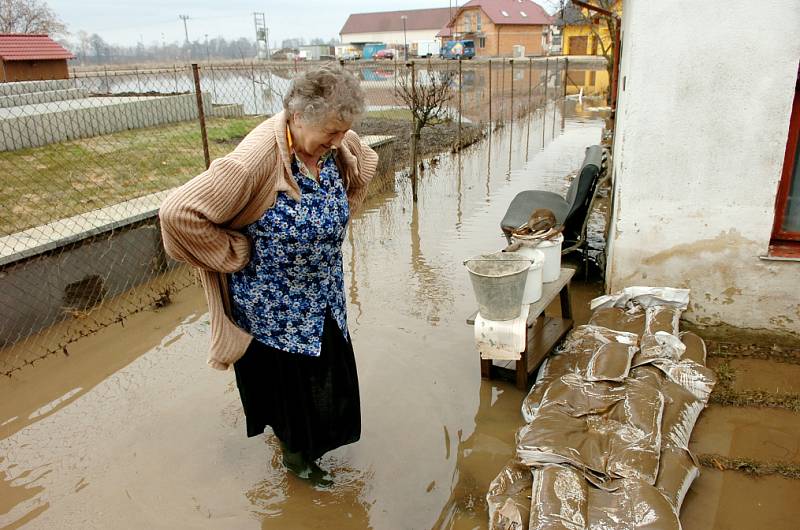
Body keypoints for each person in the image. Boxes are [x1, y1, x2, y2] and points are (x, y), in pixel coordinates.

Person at [159, 64, 378, 481]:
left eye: (342, 131)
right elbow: (177, 214)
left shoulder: (336, 141)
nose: (338, 141)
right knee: (292, 391)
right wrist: (233, 254)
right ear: (297, 116)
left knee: (328, 378)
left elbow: (364, 162)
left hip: (322, 295)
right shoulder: (256, 159)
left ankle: (310, 445)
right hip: (274, 307)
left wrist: (344, 210)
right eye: (331, 132)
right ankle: (297, 460)